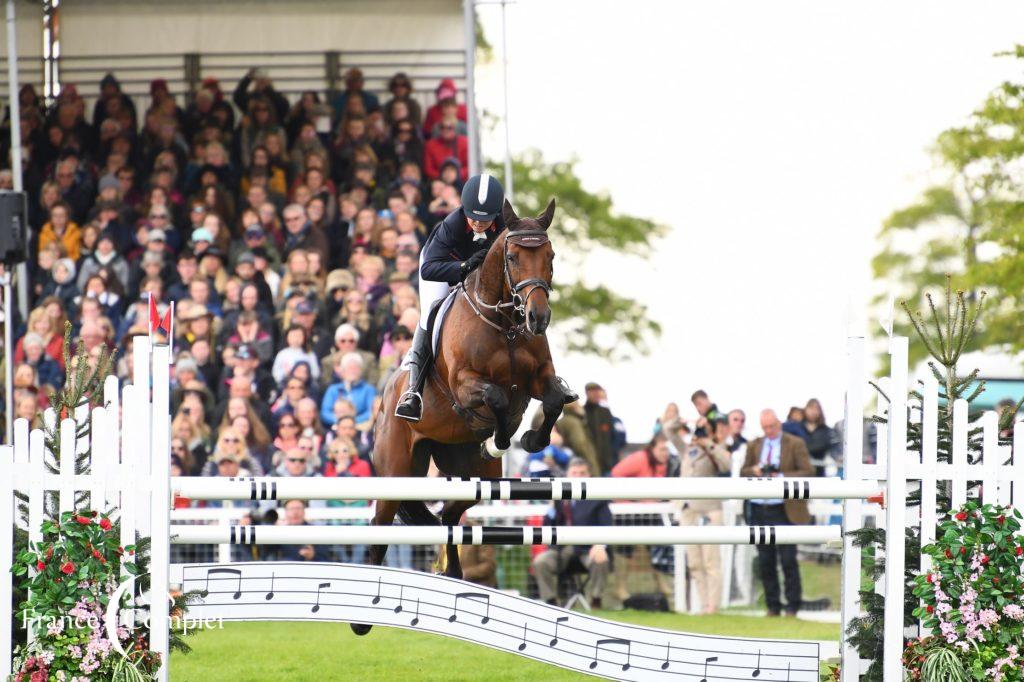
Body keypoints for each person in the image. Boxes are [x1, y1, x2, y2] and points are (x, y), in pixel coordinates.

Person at [393, 173, 506, 421]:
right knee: (432, 314)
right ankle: (414, 391)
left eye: (484, 219)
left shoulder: (506, 223)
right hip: (443, 269)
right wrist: (464, 267)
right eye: (473, 217)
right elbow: (428, 269)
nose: (478, 223)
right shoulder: (452, 225)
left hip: (481, 277)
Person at [740, 409, 813, 617]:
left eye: (771, 426)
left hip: (783, 508)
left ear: (778, 423)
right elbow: (742, 472)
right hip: (759, 508)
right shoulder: (754, 445)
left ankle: (792, 605)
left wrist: (780, 475)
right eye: (765, 427)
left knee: (788, 559)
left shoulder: (795, 443)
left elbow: (808, 471)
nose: (768, 431)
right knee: (765, 560)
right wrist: (754, 470)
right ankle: (772, 606)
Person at [531, 457, 611, 608]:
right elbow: (547, 525)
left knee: (601, 560)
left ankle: (596, 599)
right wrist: (552, 509)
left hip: (587, 548)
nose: (578, 477)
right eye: (574, 473)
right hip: (562, 548)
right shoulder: (559, 493)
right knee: (540, 562)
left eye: (582, 473)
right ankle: (550, 603)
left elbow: (607, 524)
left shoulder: (597, 496)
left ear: (589, 475)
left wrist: (601, 545)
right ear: (567, 474)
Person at [675, 419, 733, 614]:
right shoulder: (687, 448)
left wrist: (707, 442)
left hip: (710, 511)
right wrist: (682, 420)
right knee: (694, 562)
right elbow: (669, 430)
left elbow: (727, 464)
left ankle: (712, 606)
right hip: (688, 509)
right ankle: (702, 604)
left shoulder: (717, 447)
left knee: (711, 561)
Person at [583, 382, 616, 474]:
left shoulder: (605, 412)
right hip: (589, 462)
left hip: (607, 462)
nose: (596, 394)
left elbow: (613, 435)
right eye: (593, 391)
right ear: (587, 393)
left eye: (598, 391)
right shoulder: (582, 413)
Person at [802, 398, 834, 477]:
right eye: (811, 408)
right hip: (800, 473)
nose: (813, 412)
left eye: (816, 409)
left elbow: (824, 445)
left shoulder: (825, 430)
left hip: (819, 472)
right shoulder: (798, 427)